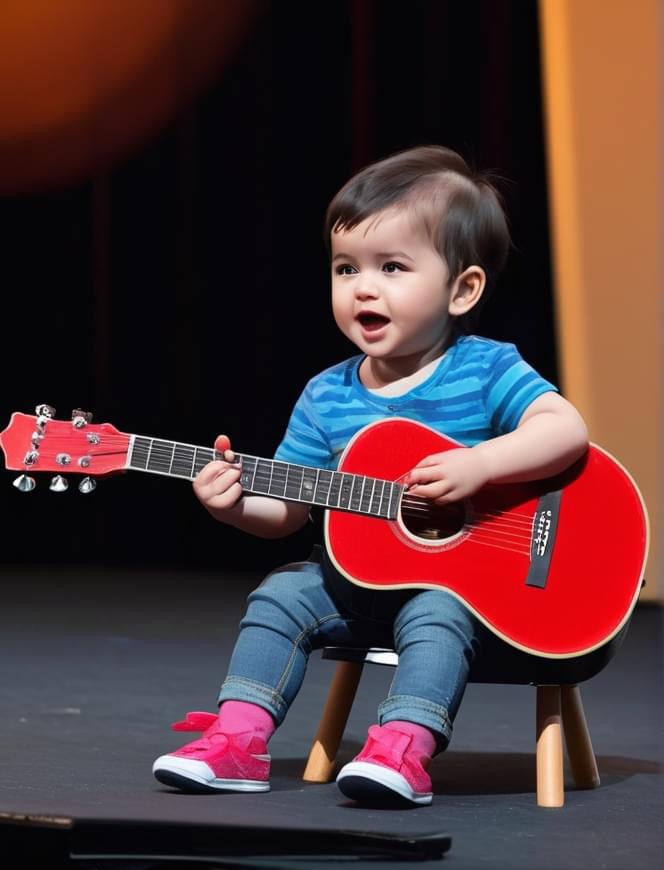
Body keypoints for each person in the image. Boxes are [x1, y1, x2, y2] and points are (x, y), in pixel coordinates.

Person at [152, 145, 588, 806]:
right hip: (353, 588)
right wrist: (232, 506)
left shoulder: (484, 368)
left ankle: (403, 747)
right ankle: (238, 741)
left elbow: (565, 429)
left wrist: (481, 463)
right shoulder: (326, 396)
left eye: (392, 267)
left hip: (467, 591)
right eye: (345, 267)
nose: (362, 287)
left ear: (463, 289)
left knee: (438, 612)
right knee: (279, 595)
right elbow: (288, 513)